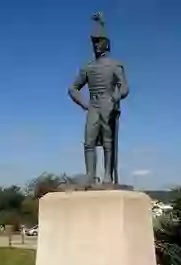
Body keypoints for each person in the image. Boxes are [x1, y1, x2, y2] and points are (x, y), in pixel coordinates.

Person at [68, 12, 129, 184]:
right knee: (89, 141)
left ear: (106, 44)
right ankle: (90, 175)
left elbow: (124, 86)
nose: (96, 45)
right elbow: (73, 88)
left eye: (99, 42)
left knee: (108, 142)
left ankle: (108, 176)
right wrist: (84, 104)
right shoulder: (88, 67)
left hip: (108, 104)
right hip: (93, 105)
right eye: (94, 42)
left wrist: (115, 97)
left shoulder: (115, 65)